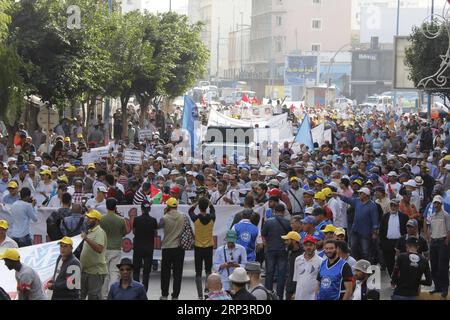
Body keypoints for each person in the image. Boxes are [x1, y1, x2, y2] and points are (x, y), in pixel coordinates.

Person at [339, 187, 379, 261]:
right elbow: (348, 200)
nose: (359, 194)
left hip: (366, 232)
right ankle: (355, 264)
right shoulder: (357, 201)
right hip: (355, 230)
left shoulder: (372, 206)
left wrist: (374, 233)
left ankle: (366, 267)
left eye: (361, 193)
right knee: (353, 248)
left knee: (365, 251)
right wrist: (339, 195)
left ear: (366, 195)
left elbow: (375, 220)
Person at [261, 204, 291, 300]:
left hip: (270, 249)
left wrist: (266, 246)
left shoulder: (268, 222)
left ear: (274, 211)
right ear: (283, 212)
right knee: (281, 274)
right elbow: (290, 236)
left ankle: (268, 295)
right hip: (282, 250)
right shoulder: (287, 222)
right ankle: (279, 296)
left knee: (269, 273)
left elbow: (263, 235)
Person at [158, 197, 185, 300]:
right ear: (176, 206)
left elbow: (158, 226)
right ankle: (175, 296)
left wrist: (165, 213)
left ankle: (164, 294)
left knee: (165, 272)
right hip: (179, 247)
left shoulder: (164, 218)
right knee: (178, 273)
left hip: (167, 247)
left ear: (168, 207)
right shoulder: (183, 216)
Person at [100, 198, 127, 299]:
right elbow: (124, 233)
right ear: (115, 207)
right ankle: (113, 295)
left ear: (106, 206)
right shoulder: (121, 220)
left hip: (104, 248)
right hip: (116, 248)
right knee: (115, 273)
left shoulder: (101, 219)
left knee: (104, 274)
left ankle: (104, 295)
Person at [80, 210, 108, 300]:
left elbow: (99, 249)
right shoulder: (90, 231)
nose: (88, 219)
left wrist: (86, 239)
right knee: (80, 295)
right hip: (86, 270)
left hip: (95, 272)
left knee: (93, 296)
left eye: (90, 218)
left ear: (97, 220)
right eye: (87, 217)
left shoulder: (99, 232)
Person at [426, 195, 450, 299]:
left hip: (442, 242)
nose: (436, 205)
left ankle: (445, 288)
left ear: (441, 204)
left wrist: (447, 240)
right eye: (435, 203)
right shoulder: (431, 215)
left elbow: (449, 229)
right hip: (433, 242)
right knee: (434, 266)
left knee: (442, 267)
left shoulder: (446, 215)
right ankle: (437, 286)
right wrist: (429, 237)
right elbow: (428, 226)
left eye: (438, 203)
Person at [379, 199, 409, 276]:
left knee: (402, 261)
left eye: (395, 205)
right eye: (391, 205)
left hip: (400, 242)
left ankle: (401, 278)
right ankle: (393, 278)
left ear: (398, 206)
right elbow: (381, 231)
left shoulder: (404, 217)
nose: (393, 207)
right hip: (388, 242)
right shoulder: (385, 217)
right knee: (389, 262)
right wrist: (382, 243)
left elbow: (407, 230)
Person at [133, 200, 157, 293]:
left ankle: (136, 289)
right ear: (149, 209)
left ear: (141, 208)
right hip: (148, 248)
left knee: (136, 270)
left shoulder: (136, 219)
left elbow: (134, 231)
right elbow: (155, 233)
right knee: (146, 272)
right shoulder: (153, 220)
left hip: (138, 247)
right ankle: (144, 290)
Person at [293, 235, 323, 300]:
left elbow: (321, 281)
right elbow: (296, 279)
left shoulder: (321, 261)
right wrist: (295, 293)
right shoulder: (298, 259)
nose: (308, 247)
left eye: (311, 245)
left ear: (315, 246)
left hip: (313, 296)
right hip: (299, 295)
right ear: (303, 246)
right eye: (306, 245)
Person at [282, 231, 303, 300]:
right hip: (289, 287)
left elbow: (300, 275)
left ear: (294, 241)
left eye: (287, 240)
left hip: (296, 290)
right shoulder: (291, 252)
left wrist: (296, 291)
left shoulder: (302, 256)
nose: (285, 242)